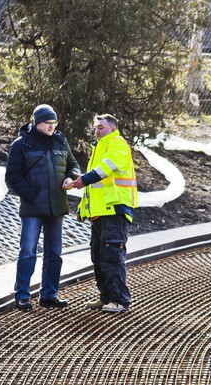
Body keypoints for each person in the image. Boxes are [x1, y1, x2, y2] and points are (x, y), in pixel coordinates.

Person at [5, 104, 80, 311]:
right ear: (37, 123)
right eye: (48, 123)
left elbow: (73, 165)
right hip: (32, 209)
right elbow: (12, 176)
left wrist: (70, 177)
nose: (52, 127)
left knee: (54, 253)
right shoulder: (21, 145)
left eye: (54, 123)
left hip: (56, 207)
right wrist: (31, 195)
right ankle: (21, 295)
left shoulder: (60, 141)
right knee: (28, 252)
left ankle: (49, 294)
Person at [66, 114, 137, 313]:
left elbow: (104, 171)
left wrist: (83, 180)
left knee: (111, 256)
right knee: (98, 256)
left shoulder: (117, 144)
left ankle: (119, 300)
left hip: (115, 210)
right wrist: (83, 209)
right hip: (101, 212)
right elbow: (95, 185)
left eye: (101, 127)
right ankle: (106, 297)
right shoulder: (99, 148)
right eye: (96, 127)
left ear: (112, 128)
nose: (97, 131)